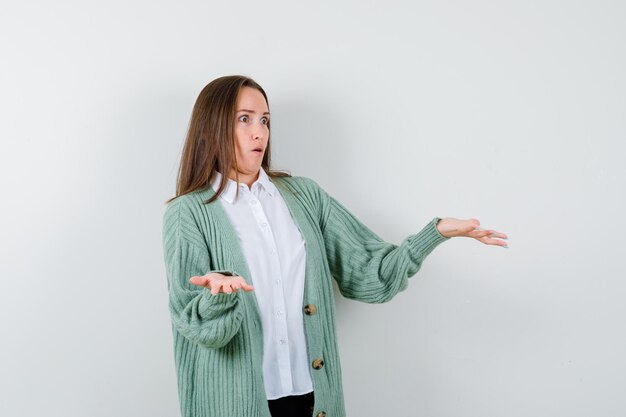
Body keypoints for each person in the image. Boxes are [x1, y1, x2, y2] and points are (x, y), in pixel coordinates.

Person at [162, 75, 508, 417]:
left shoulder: (304, 196)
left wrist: (434, 234)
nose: (260, 132)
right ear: (211, 128)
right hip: (233, 402)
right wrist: (216, 297)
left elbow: (370, 271)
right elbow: (191, 320)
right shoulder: (188, 213)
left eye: (265, 120)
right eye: (244, 119)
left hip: (313, 397)